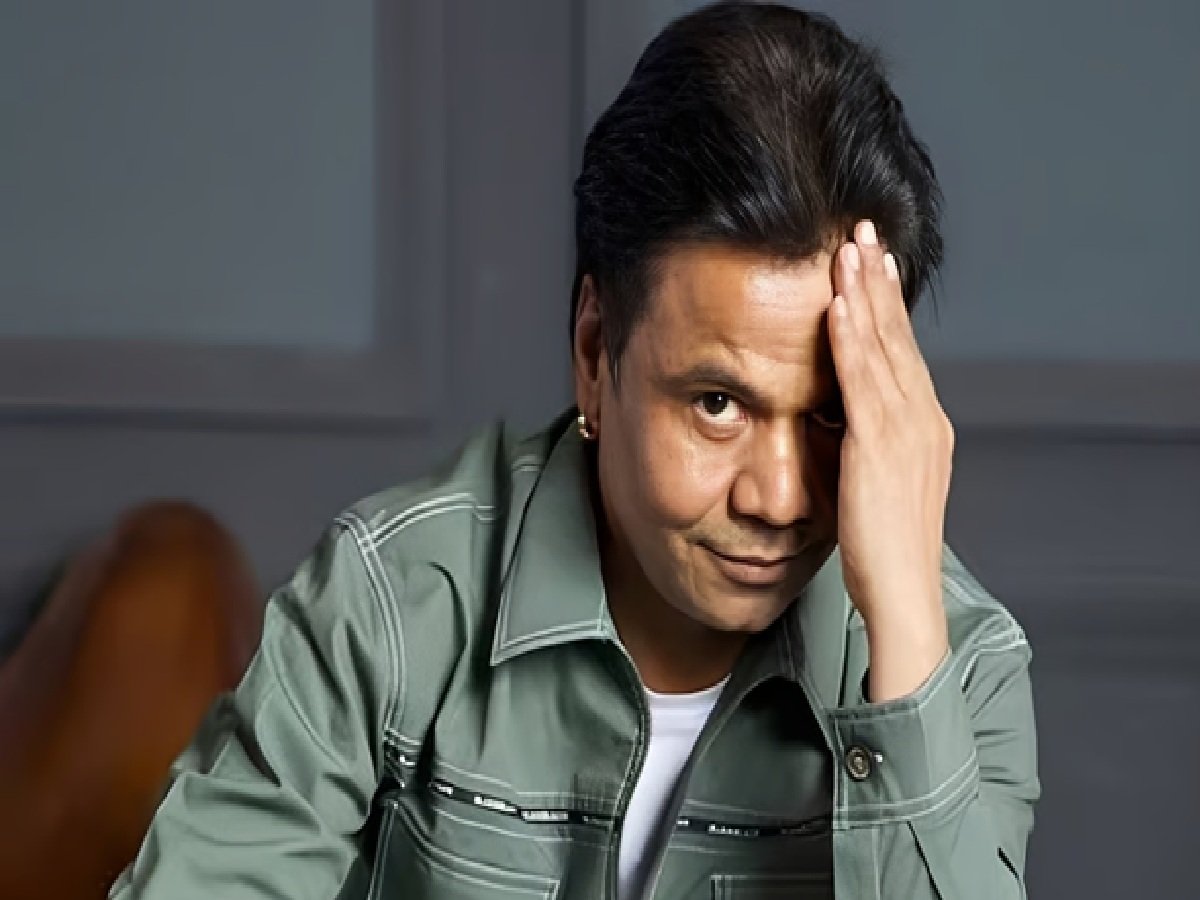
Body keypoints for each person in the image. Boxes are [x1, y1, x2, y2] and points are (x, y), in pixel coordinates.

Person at [111, 3, 1039, 897]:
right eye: (717, 405)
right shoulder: (391, 606)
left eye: (833, 415)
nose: (780, 497)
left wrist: (905, 647)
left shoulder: (962, 662)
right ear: (596, 354)